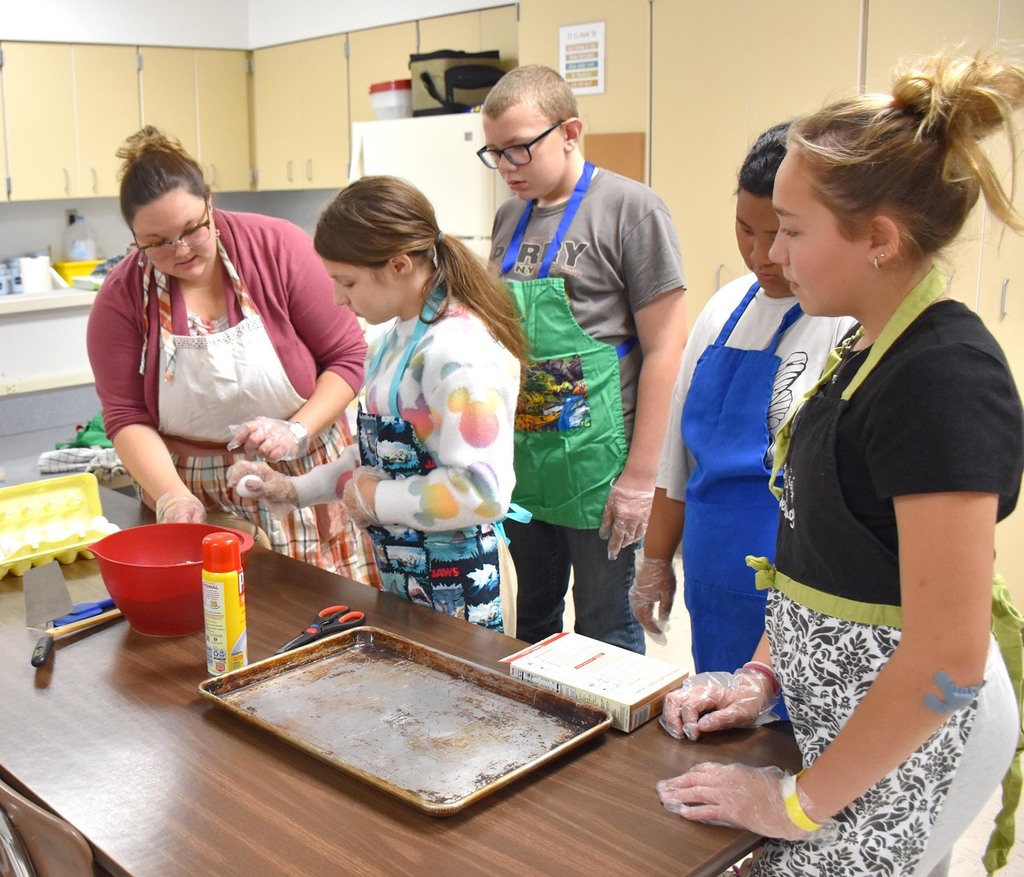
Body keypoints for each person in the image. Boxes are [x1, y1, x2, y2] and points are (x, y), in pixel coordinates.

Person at [655, 52, 1024, 876]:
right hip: (846, 725)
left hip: (926, 739)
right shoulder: (857, 343)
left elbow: (948, 662)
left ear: (879, 241)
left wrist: (794, 802)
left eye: (791, 228)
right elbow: (823, 548)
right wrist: (759, 672)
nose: (771, 253)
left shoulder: (944, 381)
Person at [227, 176, 526, 631]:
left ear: (400, 265)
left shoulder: (458, 356)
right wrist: (293, 489)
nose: (337, 298)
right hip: (402, 574)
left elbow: (482, 494)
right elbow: (378, 454)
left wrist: (372, 497)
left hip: (463, 587)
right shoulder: (393, 342)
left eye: (347, 281)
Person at [87, 126, 378, 584]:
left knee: (324, 614)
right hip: (196, 493)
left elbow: (347, 358)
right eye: (157, 242)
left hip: (304, 475)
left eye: (191, 229)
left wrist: (295, 430)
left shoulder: (277, 247)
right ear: (134, 238)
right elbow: (125, 414)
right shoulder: (122, 295)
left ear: (209, 202)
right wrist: (173, 498)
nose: (180, 250)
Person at [628, 123, 856, 694]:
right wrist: (656, 561)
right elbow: (677, 457)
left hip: (794, 573)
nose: (762, 255)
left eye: (781, 233)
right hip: (711, 565)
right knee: (721, 727)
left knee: (789, 734)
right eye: (744, 230)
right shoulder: (725, 307)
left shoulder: (839, 321)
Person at [479, 64, 688, 654]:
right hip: (527, 458)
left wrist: (642, 479)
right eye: (494, 154)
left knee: (606, 626)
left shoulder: (632, 210)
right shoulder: (507, 219)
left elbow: (666, 348)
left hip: (598, 463)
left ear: (570, 131)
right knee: (534, 619)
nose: (507, 169)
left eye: (519, 149)